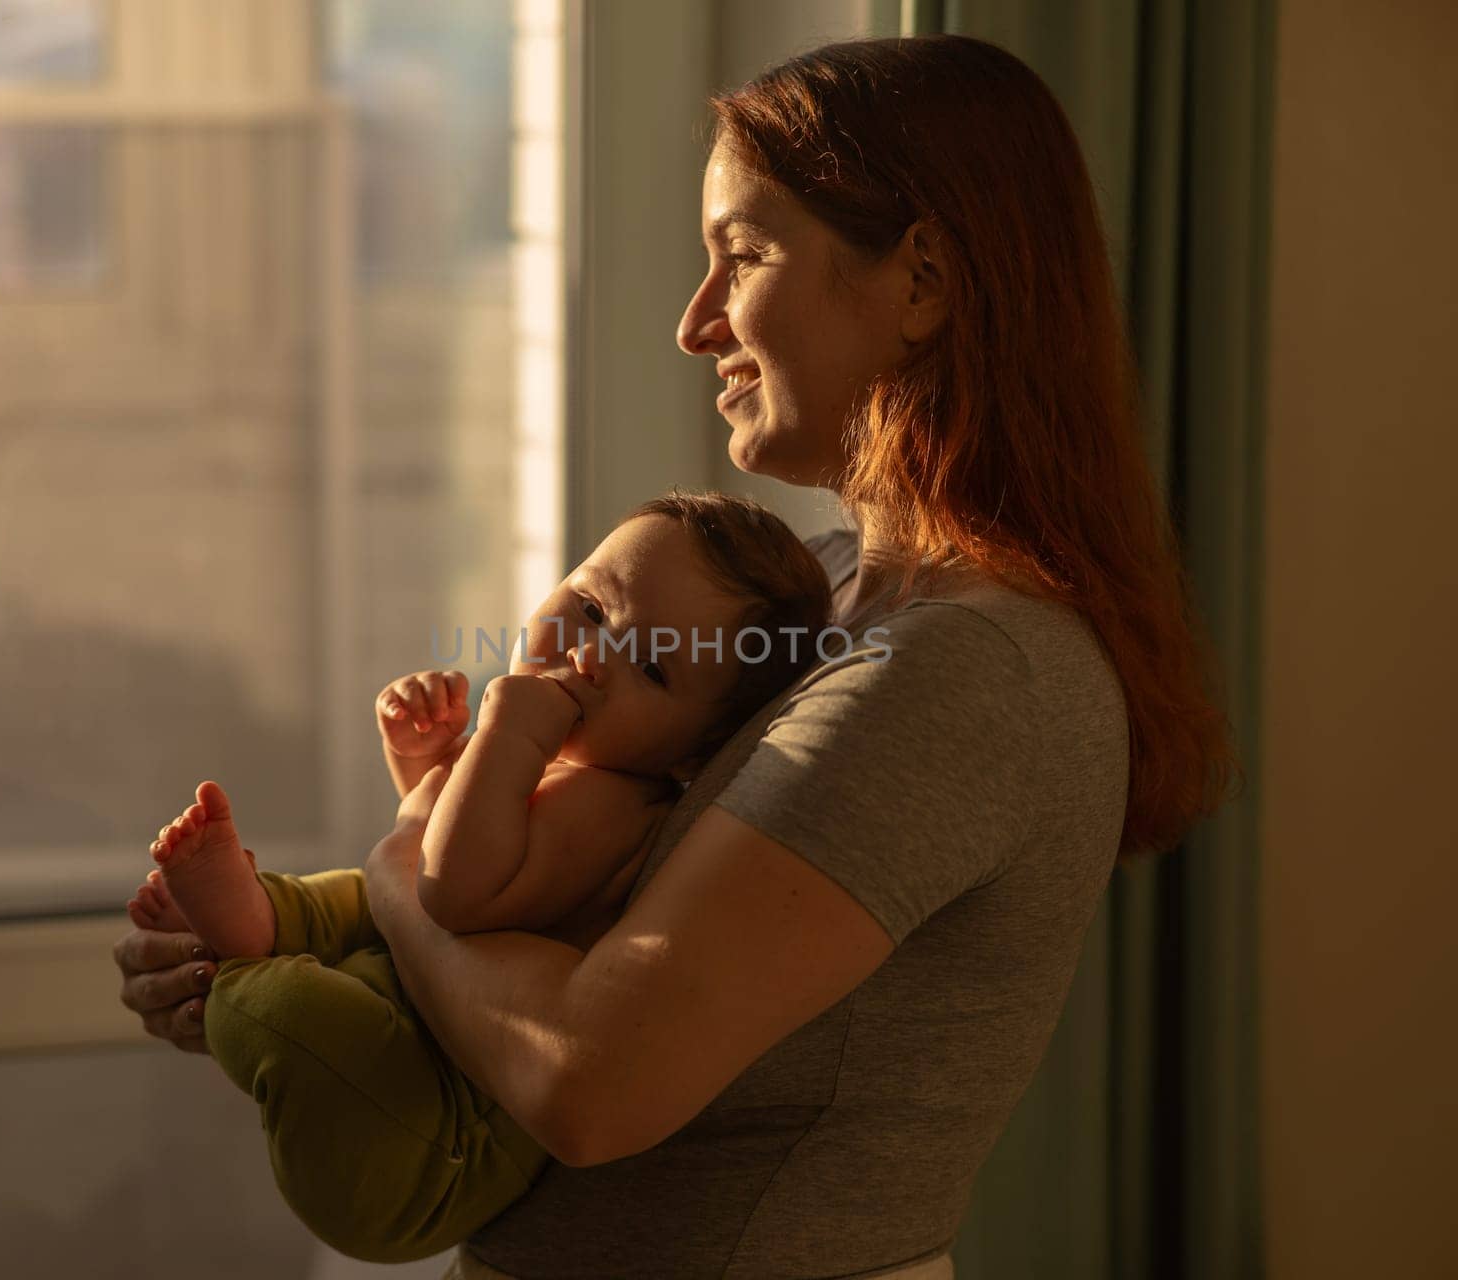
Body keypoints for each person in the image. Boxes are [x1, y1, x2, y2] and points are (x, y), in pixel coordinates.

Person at [114, 34, 1235, 1279]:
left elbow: (592, 1084)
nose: (695, 322)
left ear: (920, 279)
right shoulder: (828, 597)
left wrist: (388, 881)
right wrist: (265, 955)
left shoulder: (958, 669)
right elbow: (561, 937)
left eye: (743, 256)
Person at [124, 492, 832, 1263]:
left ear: (694, 753)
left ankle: (248, 969)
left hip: (430, 1124)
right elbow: (432, 836)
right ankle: (245, 914)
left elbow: (453, 890)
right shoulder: (569, 762)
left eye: (653, 668)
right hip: (409, 990)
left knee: (289, 996)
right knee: (338, 896)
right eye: (592, 606)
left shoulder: (618, 805)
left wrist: (501, 729)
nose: (592, 657)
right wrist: (426, 757)